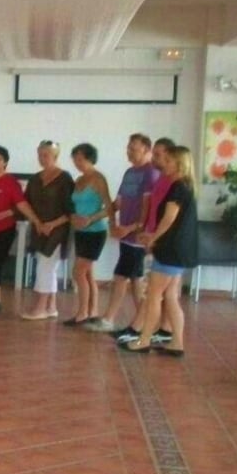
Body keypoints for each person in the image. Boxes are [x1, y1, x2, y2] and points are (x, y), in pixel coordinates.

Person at [119, 145, 198, 356]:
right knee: (170, 296)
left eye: (169, 161)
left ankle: (144, 340)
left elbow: (169, 218)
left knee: (154, 295)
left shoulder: (178, 187)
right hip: (178, 249)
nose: (165, 164)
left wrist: (153, 237)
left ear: (179, 164)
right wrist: (153, 236)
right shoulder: (186, 186)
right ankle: (177, 343)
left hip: (170, 250)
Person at [87, 134, 158, 333]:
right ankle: (143, 323)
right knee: (135, 280)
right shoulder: (129, 173)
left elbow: (148, 208)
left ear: (146, 150)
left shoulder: (151, 173)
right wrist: (104, 220)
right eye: (128, 147)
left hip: (138, 237)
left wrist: (131, 228)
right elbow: (117, 203)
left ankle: (109, 319)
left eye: (134, 148)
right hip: (125, 234)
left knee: (121, 276)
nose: (129, 151)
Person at [112, 137, 177, 345]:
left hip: (162, 241)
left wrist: (150, 235)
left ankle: (139, 330)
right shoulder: (160, 178)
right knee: (160, 290)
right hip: (151, 238)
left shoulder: (169, 181)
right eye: (154, 153)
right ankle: (163, 330)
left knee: (156, 290)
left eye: (158, 154)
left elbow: (166, 216)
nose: (155, 158)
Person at [0, 146, 41, 316]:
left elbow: (21, 205)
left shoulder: (11, 183)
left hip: (4, 229)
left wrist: (36, 221)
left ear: (5, 162)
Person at [21, 140, 75, 320]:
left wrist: (51, 224)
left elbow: (71, 209)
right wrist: (37, 222)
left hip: (58, 230)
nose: (42, 158)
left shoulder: (65, 178)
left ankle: (40, 307)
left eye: (46, 155)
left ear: (55, 156)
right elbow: (26, 203)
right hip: (39, 228)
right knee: (46, 266)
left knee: (46, 265)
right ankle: (51, 306)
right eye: (40, 155)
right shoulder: (35, 179)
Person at [65, 143, 113, 326]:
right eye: (75, 159)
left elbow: (109, 207)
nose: (77, 163)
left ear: (90, 158)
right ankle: (92, 310)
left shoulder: (98, 178)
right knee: (88, 273)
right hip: (80, 232)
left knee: (78, 271)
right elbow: (73, 205)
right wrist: (74, 217)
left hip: (95, 231)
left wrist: (90, 219)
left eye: (80, 159)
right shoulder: (79, 180)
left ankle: (82, 313)